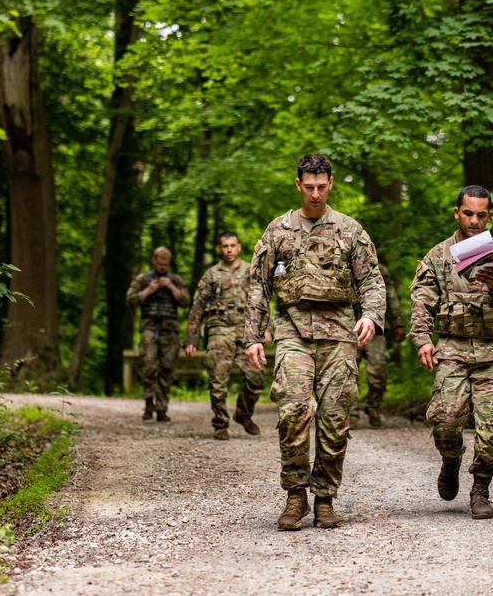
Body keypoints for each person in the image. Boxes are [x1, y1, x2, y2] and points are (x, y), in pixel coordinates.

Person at [244, 154, 386, 530]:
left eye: (322, 186)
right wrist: (254, 336)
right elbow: (258, 285)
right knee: (292, 411)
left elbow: (371, 280)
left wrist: (371, 316)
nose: (316, 194)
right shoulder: (277, 231)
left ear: (331, 183)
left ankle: (324, 497)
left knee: (335, 417)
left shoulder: (350, 230)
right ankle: (295, 496)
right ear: (298, 185)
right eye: (309, 187)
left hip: (339, 332)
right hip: (292, 331)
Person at [408, 185, 493, 520]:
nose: (474, 221)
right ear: (457, 213)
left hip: (492, 352)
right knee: (446, 422)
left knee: (492, 427)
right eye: (468, 213)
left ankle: (481, 490)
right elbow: (421, 301)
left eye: (481, 215)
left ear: (489, 216)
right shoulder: (438, 255)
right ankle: (450, 460)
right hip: (452, 350)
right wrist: (422, 340)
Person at [183, 232, 270, 441]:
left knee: (255, 377)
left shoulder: (251, 271)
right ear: (220, 249)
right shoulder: (212, 275)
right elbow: (198, 307)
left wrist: (266, 329)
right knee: (217, 378)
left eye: (232, 246)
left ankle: (243, 414)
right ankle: (220, 423)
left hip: (246, 330)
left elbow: (262, 302)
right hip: (219, 329)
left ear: (239, 247)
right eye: (224, 246)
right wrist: (191, 338)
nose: (229, 250)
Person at [126, 247, 191, 422]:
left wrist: (171, 287)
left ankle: (162, 408)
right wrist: (148, 291)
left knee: (167, 368)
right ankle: (149, 403)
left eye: (165, 264)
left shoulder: (175, 280)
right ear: (153, 260)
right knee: (148, 364)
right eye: (160, 263)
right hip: (149, 328)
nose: (162, 267)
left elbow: (186, 301)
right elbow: (130, 300)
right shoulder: (143, 280)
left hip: (170, 331)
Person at [351, 262, 407, 428]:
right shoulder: (336, 263)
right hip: (346, 326)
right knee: (347, 372)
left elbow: (391, 295)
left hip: (374, 327)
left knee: (378, 369)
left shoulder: (379, 269)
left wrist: (398, 322)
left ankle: (373, 406)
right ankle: (350, 411)